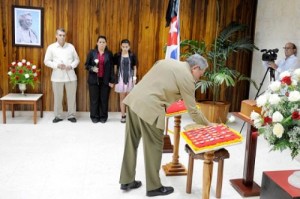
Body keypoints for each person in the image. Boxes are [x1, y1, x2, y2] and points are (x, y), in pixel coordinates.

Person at [119, 54, 212, 197]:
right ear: (195, 68)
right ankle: (154, 187)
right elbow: (193, 111)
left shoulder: (165, 61)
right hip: (151, 107)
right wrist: (208, 124)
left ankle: (126, 180)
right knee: (154, 147)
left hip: (133, 100)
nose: (200, 77)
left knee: (131, 142)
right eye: (201, 73)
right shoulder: (188, 78)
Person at [44, 28, 80, 123]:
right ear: (56, 36)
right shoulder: (51, 47)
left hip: (71, 76)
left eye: (64, 35)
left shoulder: (71, 47)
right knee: (57, 97)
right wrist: (57, 65)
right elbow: (46, 61)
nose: (62, 37)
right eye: (60, 35)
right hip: (57, 76)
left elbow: (77, 59)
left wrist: (71, 66)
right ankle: (58, 116)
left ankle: (71, 115)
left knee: (72, 97)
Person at [84, 36, 114, 123]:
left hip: (105, 80)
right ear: (97, 43)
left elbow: (112, 68)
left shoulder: (109, 54)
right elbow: (86, 65)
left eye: (103, 42)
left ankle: (103, 116)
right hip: (94, 80)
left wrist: (112, 80)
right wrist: (92, 68)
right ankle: (94, 116)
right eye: (100, 42)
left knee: (104, 99)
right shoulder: (92, 53)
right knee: (94, 99)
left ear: (106, 43)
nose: (101, 44)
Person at [114, 39, 137, 123]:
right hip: (120, 79)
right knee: (122, 98)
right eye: (123, 46)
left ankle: (130, 116)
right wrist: (115, 78)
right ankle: (123, 115)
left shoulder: (132, 55)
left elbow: (134, 67)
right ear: (121, 46)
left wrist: (134, 77)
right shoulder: (117, 55)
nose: (124, 48)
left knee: (129, 98)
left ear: (129, 47)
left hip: (130, 79)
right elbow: (115, 67)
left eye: (126, 47)